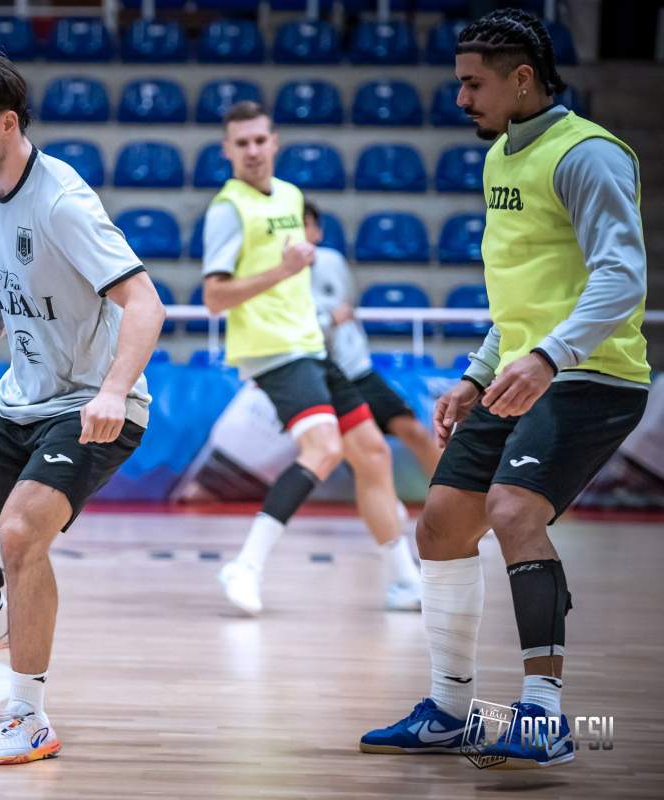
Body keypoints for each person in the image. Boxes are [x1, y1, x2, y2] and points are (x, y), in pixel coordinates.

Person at [360, 8, 650, 768]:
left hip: (591, 375)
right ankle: (451, 711)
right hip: (523, 371)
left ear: (522, 78)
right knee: (442, 527)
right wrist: (476, 374)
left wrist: (548, 357)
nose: (460, 99)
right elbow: (517, 299)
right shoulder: (498, 158)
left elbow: (622, 277)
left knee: (512, 509)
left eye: (472, 83)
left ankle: (543, 716)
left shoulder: (588, 154)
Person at [0, 49, 164, 766]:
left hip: (91, 400)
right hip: (19, 395)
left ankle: (27, 715)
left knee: (21, 530)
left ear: (7, 123)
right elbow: (9, 279)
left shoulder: (62, 199)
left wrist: (114, 390)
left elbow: (143, 301)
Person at [202, 101, 422, 615]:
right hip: (270, 350)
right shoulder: (227, 209)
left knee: (373, 453)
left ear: (274, 142)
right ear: (227, 150)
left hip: (311, 347)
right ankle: (246, 566)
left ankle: (406, 581)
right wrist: (279, 272)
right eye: (243, 142)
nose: (253, 150)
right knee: (322, 449)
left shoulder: (293, 196)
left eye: (261, 140)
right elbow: (215, 297)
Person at [304, 200, 443, 478]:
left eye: (305, 225)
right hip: (313, 378)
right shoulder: (276, 280)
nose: (298, 232)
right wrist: (329, 321)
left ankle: (451, 502)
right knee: (344, 451)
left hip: (356, 371)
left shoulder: (332, 262)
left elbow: (348, 304)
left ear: (317, 232)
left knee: (412, 429)